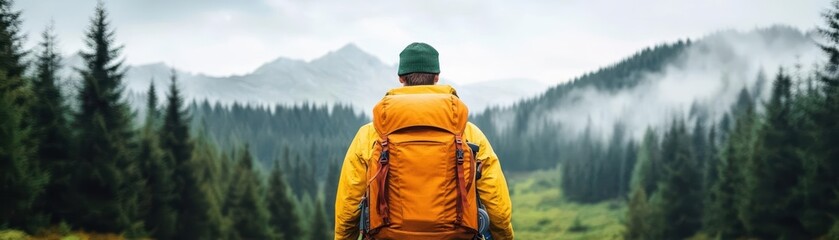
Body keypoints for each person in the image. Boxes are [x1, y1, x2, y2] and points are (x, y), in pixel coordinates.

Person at [334, 42, 514, 240]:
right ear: (436, 77)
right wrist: (504, 237)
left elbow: (348, 205)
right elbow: (497, 204)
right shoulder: (468, 133)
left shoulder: (369, 135)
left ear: (401, 78)